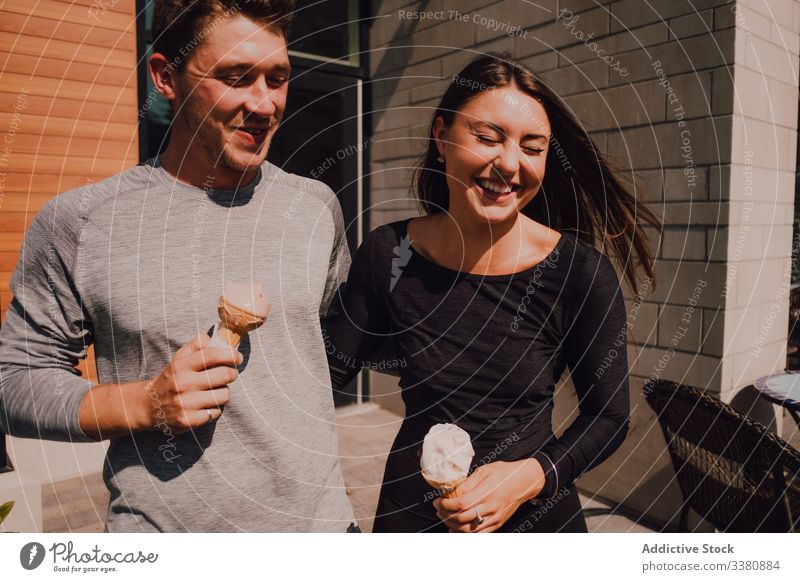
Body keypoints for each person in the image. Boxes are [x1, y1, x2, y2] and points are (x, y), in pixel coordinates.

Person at [0, 0, 359, 533]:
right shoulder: (80, 222)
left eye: (277, 78)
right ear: (166, 77)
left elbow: (324, 341)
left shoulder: (316, 207)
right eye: (236, 78)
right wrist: (144, 403)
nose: (264, 104)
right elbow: (16, 381)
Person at [323, 53, 661, 532]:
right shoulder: (389, 253)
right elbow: (323, 374)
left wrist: (530, 475)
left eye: (533, 147)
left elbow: (607, 418)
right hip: (413, 517)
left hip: (537, 521)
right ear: (441, 136)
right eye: (487, 137)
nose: (509, 163)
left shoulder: (579, 272)